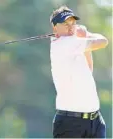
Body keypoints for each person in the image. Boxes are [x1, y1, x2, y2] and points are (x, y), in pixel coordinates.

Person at [50, 5, 108, 138]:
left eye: (73, 23)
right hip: (71, 124)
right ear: (55, 27)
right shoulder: (65, 44)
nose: (71, 27)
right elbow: (103, 41)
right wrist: (86, 34)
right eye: (65, 24)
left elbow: (89, 70)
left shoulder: (76, 43)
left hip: (95, 120)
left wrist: (82, 36)